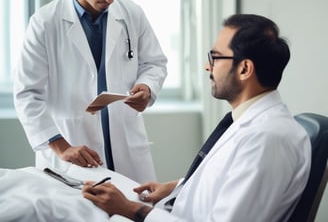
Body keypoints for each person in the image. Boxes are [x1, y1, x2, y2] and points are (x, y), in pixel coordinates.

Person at [82, 14, 311, 222]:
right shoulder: (249, 122)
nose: (206, 66)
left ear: (244, 69)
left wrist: (130, 209)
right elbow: (229, 183)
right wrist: (179, 187)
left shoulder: (267, 139)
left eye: (214, 57)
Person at [13, 0, 167, 183]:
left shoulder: (132, 14)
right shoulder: (45, 22)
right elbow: (27, 93)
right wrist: (61, 146)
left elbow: (155, 63)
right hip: (72, 150)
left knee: (135, 213)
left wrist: (147, 87)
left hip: (126, 148)